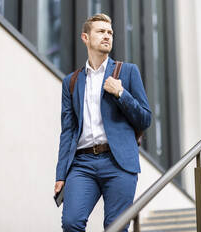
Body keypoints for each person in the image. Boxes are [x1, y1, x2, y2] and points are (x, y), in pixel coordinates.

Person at [54, 13, 152, 232]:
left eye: (110, 33)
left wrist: (121, 94)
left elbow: (145, 119)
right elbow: (68, 131)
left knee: (115, 227)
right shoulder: (71, 82)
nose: (107, 36)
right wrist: (61, 174)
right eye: (101, 31)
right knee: (71, 222)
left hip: (118, 163)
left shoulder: (127, 72)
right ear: (85, 38)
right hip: (82, 164)